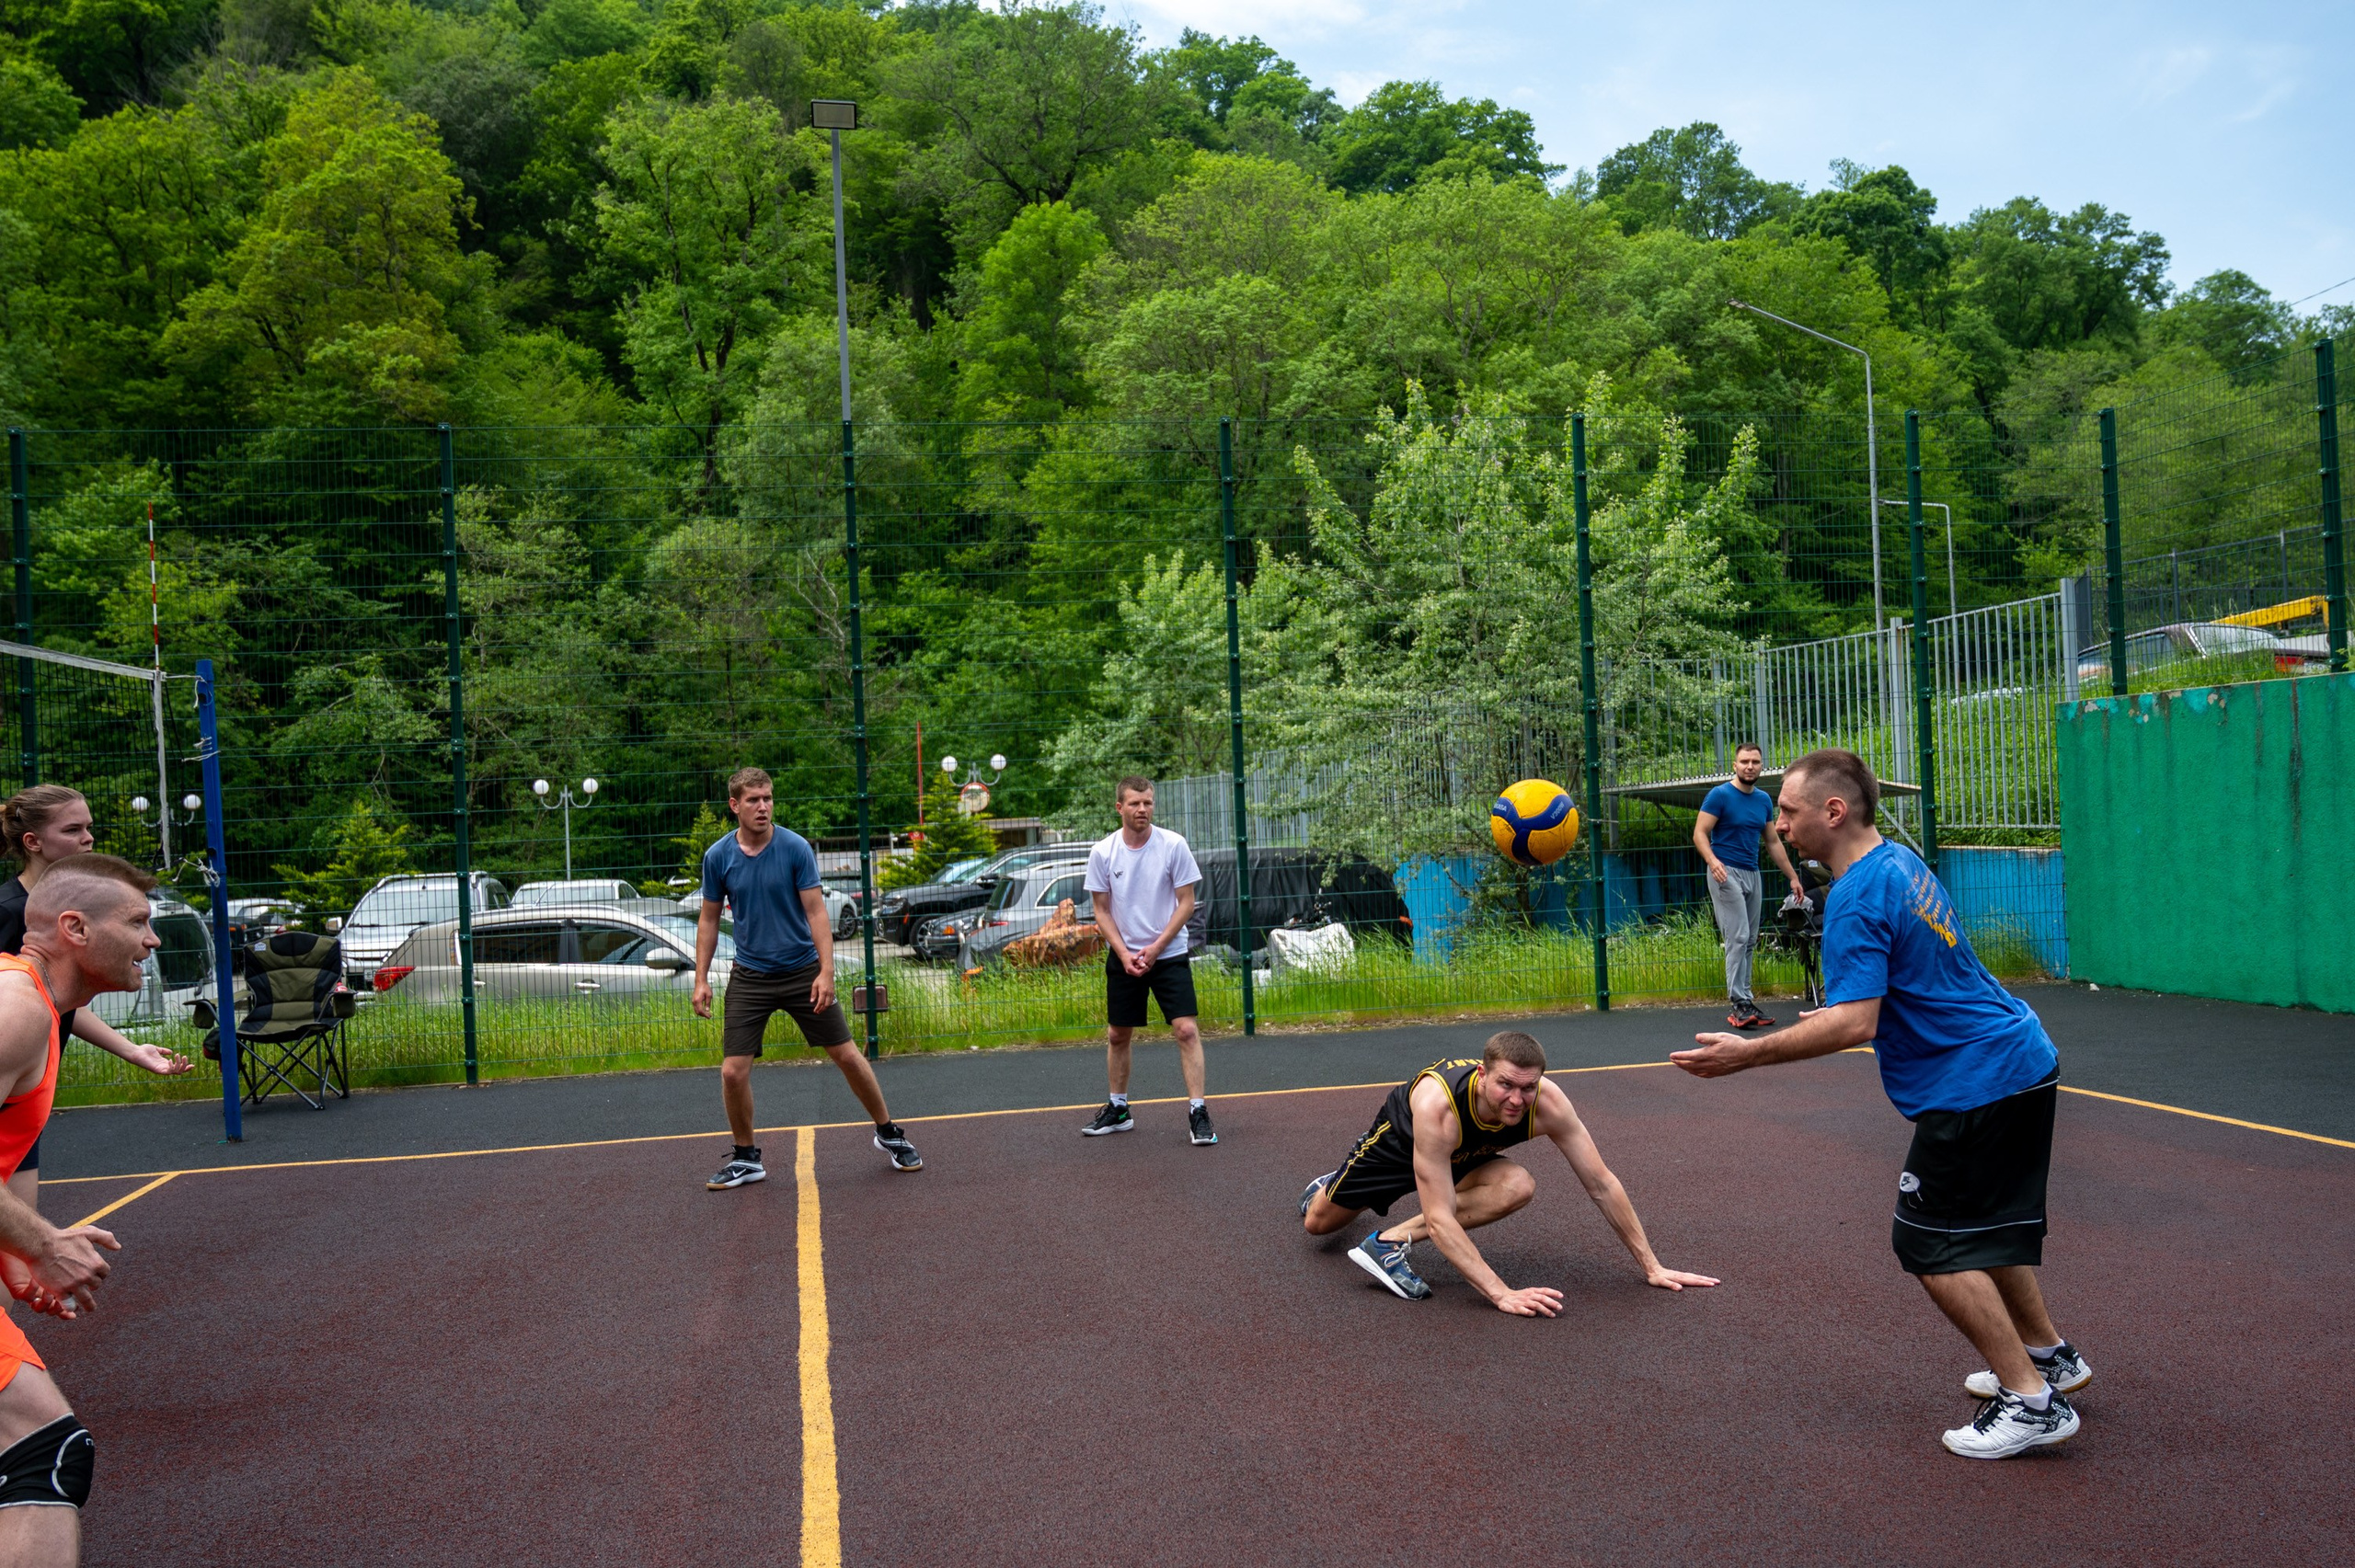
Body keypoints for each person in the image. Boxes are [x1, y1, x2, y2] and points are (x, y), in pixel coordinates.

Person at [1671, 748, 2088, 1460]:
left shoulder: (1856, 895)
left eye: (1792, 812)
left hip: (1977, 1080)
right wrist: (1835, 1014)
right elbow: (1906, 979)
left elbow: (1858, 1021)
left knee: (1928, 1241)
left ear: (1834, 811)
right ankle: (2049, 1358)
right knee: (1982, 1228)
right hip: (2020, 1057)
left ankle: (2031, 1402)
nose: (1782, 824)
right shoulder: (1898, 862)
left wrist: (1748, 1054)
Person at [0, 854, 166, 1563]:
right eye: (137, 922)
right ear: (74, 927)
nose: (151, 940)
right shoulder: (18, 1009)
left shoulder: (34, 1004)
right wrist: (42, 1241)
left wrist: (18, 1258)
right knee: (46, 1450)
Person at [1300, 1030, 1718, 1311]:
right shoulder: (1438, 1108)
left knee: (1517, 1185)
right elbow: (1441, 1219)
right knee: (1319, 1224)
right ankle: (1330, 1184)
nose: (1518, 1099)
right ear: (1482, 1075)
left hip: (1469, 1151)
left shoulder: (1546, 1103)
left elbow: (1602, 1183)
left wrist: (1652, 1266)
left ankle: (1386, 1243)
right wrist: (1501, 1293)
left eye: (1528, 1087)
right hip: (1404, 1142)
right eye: (1506, 1085)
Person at [690, 768, 923, 1188]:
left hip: (802, 972)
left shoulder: (794, 848)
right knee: (732, 1072)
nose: (763, 806)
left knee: (848, 1056)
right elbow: (708, 920)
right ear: (734, 805)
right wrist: (700, 978)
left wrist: (826, 971)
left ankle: (888, 1132)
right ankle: (746, 1158)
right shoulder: (718, 856)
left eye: (768, 798)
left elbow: (817, 912)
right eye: (753, 800)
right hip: (750, 976)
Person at [0, 788, 191, 1218]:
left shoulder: (39, 995)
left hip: (24, 1087)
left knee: (17, 1265)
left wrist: (130, 1049)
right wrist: (46, 1246)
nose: (88, 838)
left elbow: (60, 996)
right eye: (73, 829)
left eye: (88, 827)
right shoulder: (16, 996)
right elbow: (26, 1003)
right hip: (15, 1078)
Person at [1080, 776, 1214, 1146]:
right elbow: (1101, 910)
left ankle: (1198, 1112)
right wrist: (1124, 953)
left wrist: (1156, 948)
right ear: (1119, 807)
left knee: (1186, 1030)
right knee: (1117, 1034)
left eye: (1148, 803)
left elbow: (1186, 903)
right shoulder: (1103, 852)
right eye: (1135, 803)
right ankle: (1118, 1110)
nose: (1143, 809)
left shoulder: (1173, 845)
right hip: (1125, 957)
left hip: (1168, 954)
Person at [1693, 744, 1809, 1030]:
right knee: (1739, 935)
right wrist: (1712, 861)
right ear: (1735, 765)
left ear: (1761, 766)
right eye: (1744, 761)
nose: (1750, 766)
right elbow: (1700, 833)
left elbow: (1772, 842)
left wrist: (1793, 876)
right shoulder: (1719, 795)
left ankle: (1746, 999)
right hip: (1724, 872)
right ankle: (1738, 1001)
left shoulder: (1763, 801)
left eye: (1755, 762)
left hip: (1751, 872)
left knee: (1751, 938)